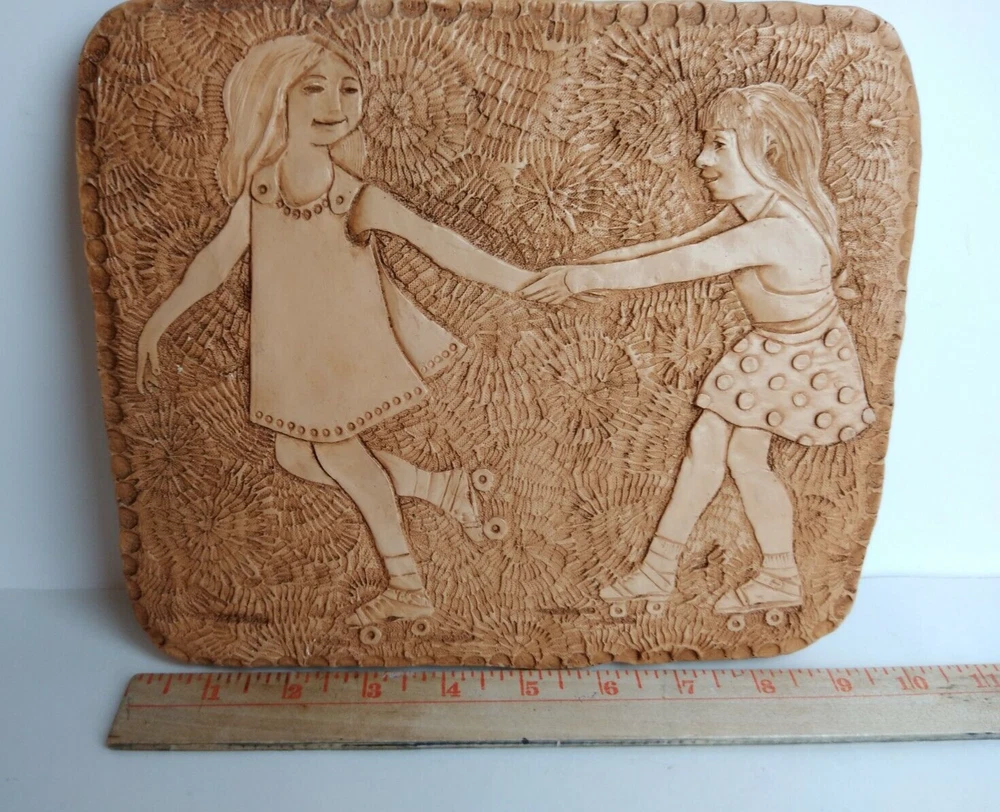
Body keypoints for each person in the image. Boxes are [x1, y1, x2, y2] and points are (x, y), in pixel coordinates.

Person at [136, 35, 538, 631]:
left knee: (342, 457)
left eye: (349, 89)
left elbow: (440, 243)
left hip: (344, 356)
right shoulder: (262, 191)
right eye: (315, 88)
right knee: (294, 454)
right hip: (293, 354)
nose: (335, 104)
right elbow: (216, 262)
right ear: (276, 98)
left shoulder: (352, 196)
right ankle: (440, 489)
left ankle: (407, 585)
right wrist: (157, 321)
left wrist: (520, 280)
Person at [522, 83, 875, 623]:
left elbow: (675, 267)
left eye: (719, 144)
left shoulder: (775, 231)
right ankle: (726, 572)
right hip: (781, 349)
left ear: (767, 150)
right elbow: (668, 248)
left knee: (729, 453)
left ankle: (725, 572)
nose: (702, 159)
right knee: (722, 449)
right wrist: (587, 268)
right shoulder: (753, 212)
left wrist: (581, 279)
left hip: (797, 357)